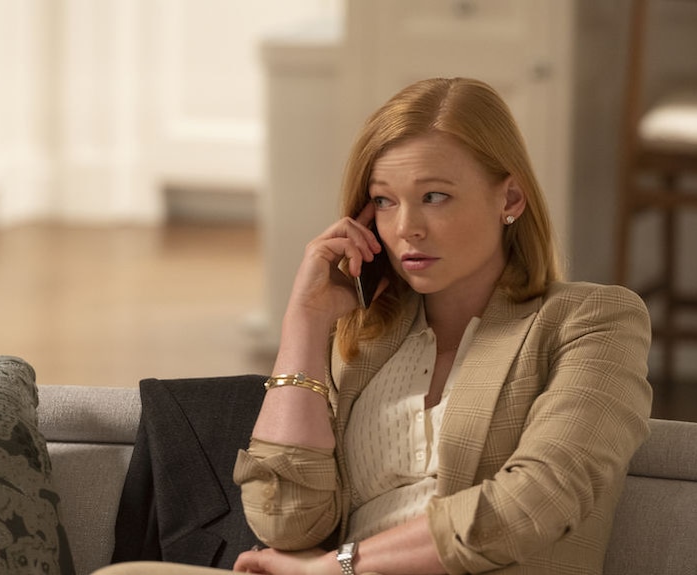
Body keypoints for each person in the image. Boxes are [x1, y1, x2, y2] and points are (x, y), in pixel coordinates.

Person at [230, 77, 652, 574]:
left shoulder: (592, 321)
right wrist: (304, 321)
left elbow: (537, 500)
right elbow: (284, 521)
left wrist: (334, 569)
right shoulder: (361, 340)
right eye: (384, 201)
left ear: (511, 199)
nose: (407, 226)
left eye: (435, 196)